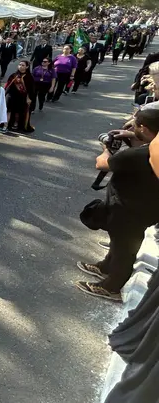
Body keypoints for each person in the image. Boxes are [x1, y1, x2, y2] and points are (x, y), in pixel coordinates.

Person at [76, 109, 159, 302]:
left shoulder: (135, 155)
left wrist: (106, 148)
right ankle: (106, 266)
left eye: (134, 124)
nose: (131, 126)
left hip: (128, 210)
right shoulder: (151, 151)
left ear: (144, 129)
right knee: (118, 240)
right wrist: (132, 134)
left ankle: (111, 287)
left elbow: (102, 164)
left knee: (124, 248)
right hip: (142, 206)